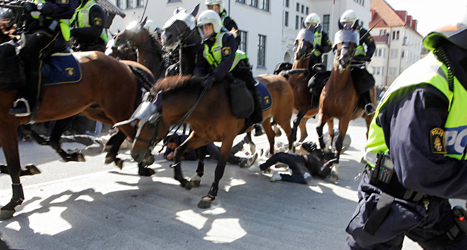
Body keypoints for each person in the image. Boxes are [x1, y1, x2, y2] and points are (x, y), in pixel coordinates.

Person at [343, 27, 467, 249]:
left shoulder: (362, 33)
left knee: (362, 81)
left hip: (432, 200)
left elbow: (369, 47)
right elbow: (420, 171)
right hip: (388, 196)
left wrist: (362, 55)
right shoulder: (427, 85)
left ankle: (365, 102)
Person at [193, 10, 263, 136]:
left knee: (250, 87)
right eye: (202, 28)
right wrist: (197, 79)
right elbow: (200, 65)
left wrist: (213, 78)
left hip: (237, 67)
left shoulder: (227, 38)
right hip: (217, 70)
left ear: (215, 25)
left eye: (208, 26)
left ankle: (257, 122)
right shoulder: (201, 45)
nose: (205, 30)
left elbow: (227, 62)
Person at [9, 0, 77, 116]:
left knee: (29, 52)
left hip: (54, 30)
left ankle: (30, 103)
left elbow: (66, 9)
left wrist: (38, 7)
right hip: (34, 29)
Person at [339, 10, 376, 115]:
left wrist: (367, 57)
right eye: (345, 23)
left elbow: (371, 45)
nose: (347, 25)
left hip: (358, 63)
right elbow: (335, 46)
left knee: (362, 82)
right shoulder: (342, 33)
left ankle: (367, 104)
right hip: (344, 62)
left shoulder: (362, 32)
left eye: (349, 23)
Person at [248, 141, 335, 183]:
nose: (325, 160)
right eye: (326, 158)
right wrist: (310, 145)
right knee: (280, 155)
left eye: (327, 160)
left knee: (307, 179)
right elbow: (305, 146)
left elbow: (324, 173)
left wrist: (328, 165)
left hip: (302, 170)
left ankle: (280, 176)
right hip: (298, 159)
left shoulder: (324, 168)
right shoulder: (318, 153)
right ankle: (261, 167)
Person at [163, 133, 258, 168]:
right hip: (202, 150)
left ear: (174, 141)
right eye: (169, 147)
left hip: (205, 143)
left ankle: (240, 161)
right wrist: (168, 157)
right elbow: (166, 154)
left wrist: (181, 157)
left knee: (217, 155)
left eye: (171, 145)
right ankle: (243, 142)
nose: (171, 148)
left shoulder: (184, 140)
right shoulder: (172, 145)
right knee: (227, 151)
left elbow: (193, 156)